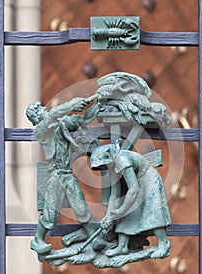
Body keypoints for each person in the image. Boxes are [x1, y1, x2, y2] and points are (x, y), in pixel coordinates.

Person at [26, 96, 105, 255]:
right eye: (38, 109)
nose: (43, 109)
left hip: (66, 174)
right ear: (35, 117)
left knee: (81, 207)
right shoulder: (42, 129)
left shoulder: (59, 124)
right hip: (56, 175)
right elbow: (53, 115)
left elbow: (82, 120)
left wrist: (99, 102)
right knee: (50, 215)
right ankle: (37, 240)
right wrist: (72, 103)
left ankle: (94, 238)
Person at [90, 140, 172, 258]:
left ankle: (162, 244)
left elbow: (133, 191)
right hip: (135, 185)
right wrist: (108, 217)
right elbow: (114, 195)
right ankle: (122, 246)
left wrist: (120, 211)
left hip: (149, 180)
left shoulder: (121, 159)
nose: (104, 168)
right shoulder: (112, 167)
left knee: (153, 212)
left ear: (108, 155)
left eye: (103, 164)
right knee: (126, 213)